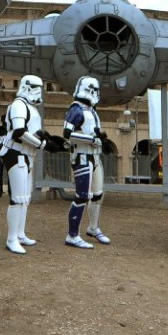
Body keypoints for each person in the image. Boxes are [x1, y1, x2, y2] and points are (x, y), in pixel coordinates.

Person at [0, 75, 64, 254]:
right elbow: (19, 132)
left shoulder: (30, 107)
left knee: (25, 198)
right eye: (36, 88)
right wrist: (43, 144)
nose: (38, 92)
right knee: (18, 198)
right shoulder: (19, 105)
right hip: (16, 153)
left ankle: (19, 234)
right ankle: (11, 238)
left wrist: (46, 138)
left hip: (27, 155)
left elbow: (33, 131)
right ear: (27, 87)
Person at [62, 76, 109, 248]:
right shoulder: (76, 109)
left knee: (97, 194)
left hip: (94, 156)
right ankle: (72, 235)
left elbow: (94, 132)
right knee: (82, 196)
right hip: (82, 155)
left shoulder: (92, 111)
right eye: (92, 89)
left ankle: (93, 227)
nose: (94, 93)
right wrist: (91, 139)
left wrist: (99, 139)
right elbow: (67, 133)